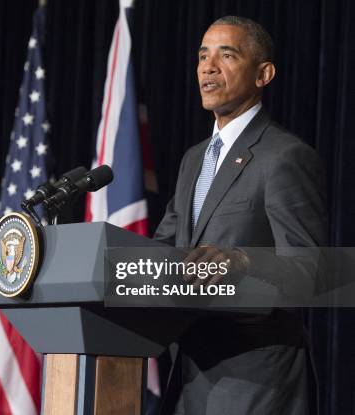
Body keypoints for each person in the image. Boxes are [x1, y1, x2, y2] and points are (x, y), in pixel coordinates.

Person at [154, 16, 327, 414]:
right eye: (202, 55)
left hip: (256, 381)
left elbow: (313, 272)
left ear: (263, 74)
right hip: (189, 376)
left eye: (226, 55)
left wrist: (244, 262)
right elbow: (165, 249)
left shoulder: (285, 157)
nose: (208, 67)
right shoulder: (193, 160)